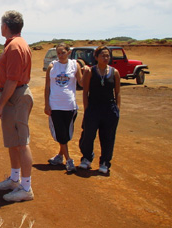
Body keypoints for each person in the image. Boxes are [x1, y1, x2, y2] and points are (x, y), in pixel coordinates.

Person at [0, 10, 34, 202]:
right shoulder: (14, 44)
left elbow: (12, 80)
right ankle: (15, 179)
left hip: (15, 97)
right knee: (13, 141)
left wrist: (0, 106)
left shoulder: (16, 47)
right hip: (12, 96)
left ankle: (26, 188)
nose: (0, 27)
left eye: (1, 24)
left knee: (21, 143)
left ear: (6, 26)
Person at [78, 46, 121, 174]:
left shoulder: (115, 72)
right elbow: (85, 92)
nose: (106, 58)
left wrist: (117, 109)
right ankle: (86, 158)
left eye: (108, 55)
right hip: (93, 108)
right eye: (103, 55)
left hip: (109, 109)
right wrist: (87, 109)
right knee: (88, 135)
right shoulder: (90, 72)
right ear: (96, 57)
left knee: (108, 137)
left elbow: (117, 92)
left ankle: (105, 162)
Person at [44, 43, 84, 172]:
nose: (60, 55)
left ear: (69, 52)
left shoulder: (75, 65)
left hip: (70, 105)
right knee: (61, 134)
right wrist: (46, 104)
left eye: (62, 52)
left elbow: (81, 82)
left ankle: (60, 156)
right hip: (55, 105)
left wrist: (88, 72)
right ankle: (69, 160)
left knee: (66, 134)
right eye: (58, 53)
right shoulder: (52, 67)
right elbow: (47, 87)